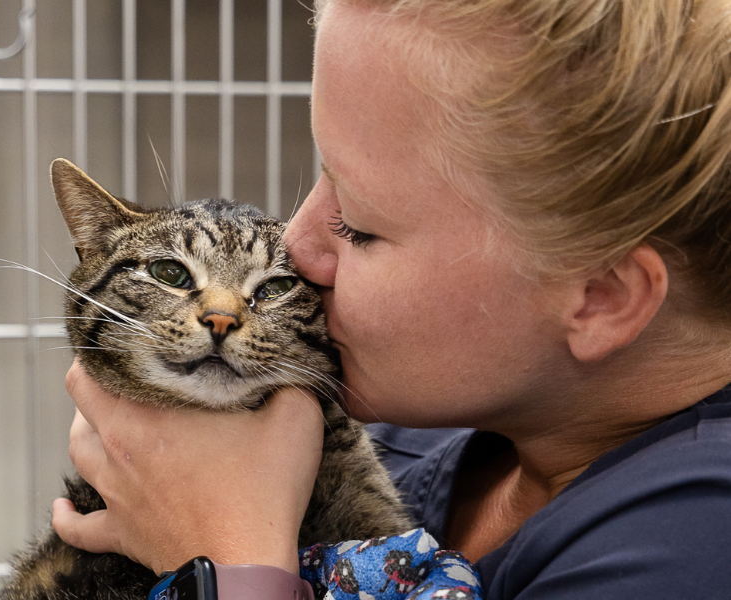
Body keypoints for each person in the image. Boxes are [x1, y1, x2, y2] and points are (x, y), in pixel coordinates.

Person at [51, 0, 731, 598]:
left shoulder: (695, 547)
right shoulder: (426, 418)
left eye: (358, 224)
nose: (299, 244)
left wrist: (228, 559)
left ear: (600, 298)